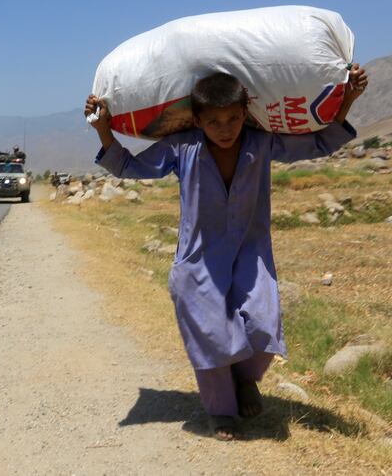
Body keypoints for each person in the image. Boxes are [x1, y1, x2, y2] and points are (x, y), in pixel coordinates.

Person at [84, 65, 368, 440]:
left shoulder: (262, 143)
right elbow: (130, 167)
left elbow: (319, 143)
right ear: (198, 120)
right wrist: (103, 128)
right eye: (214, 121)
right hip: (198, 260)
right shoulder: (182, 147)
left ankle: (245, 379)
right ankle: (221, 411)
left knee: (265, 325)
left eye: (233, 118)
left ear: (246, 114)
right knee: (210, 336)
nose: (225, 128)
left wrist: (346, 100)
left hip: (252, 254)